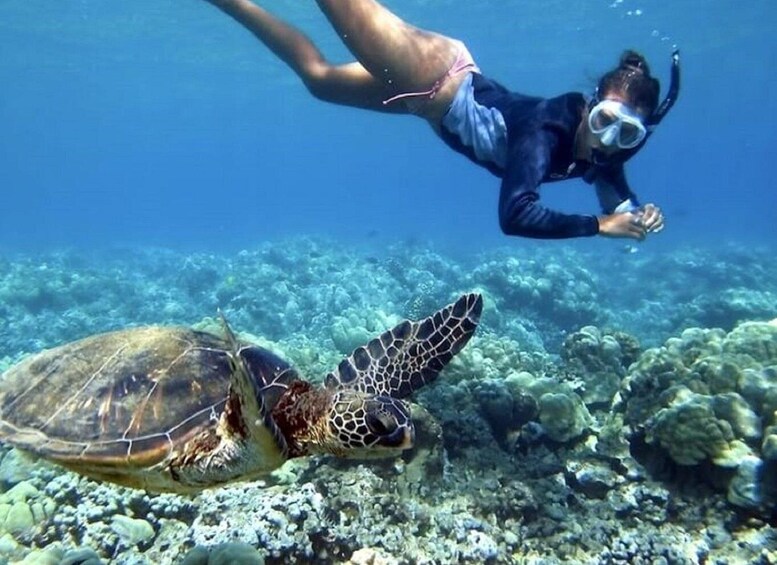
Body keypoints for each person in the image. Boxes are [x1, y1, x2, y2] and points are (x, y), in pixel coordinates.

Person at [204, 0, 680, 241]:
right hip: (435, 75)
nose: (609, 140)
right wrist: (600, 226)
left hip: (427, 102)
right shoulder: (547, 132)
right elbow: (515, 215)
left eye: (627, 132)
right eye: (604, 120)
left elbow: (611, 183)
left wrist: (633, 209)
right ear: (590, 105)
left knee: (318, 79)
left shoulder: (605, 149)